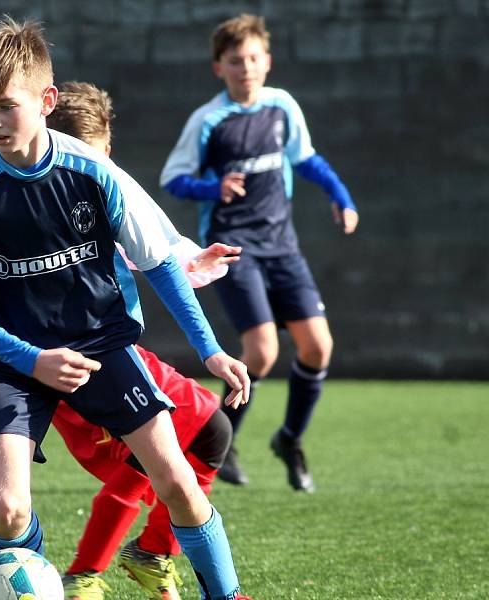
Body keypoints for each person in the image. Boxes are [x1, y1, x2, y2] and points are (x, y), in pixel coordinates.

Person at [0, 17, 252, 600]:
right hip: (16, 360)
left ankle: (225, 595)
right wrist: (32, 360)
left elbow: (157, 261)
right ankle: (38, 584)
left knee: (177, 479)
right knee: (6, 506)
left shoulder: (93, 170)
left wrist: (211, 349)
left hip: (102, 344)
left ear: (47, 100)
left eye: (6, 105)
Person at [47, 81, 241, 600]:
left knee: (168, 452)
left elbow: (150, 249)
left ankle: (110, 565)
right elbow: (151, 251)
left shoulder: (81, 185)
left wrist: (192, 261)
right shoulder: (80, 186)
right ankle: (114, 563)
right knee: (198, 438)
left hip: (87, 357)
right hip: (89, 359)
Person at [160, 14, 359, 493]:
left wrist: (342, 197)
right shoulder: (209, 120)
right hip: (235, 250)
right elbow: (173, 178)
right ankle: (217, 441)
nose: (245, 67)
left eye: (253, 58)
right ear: (218, 68)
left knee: (318, 347)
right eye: (235, 61)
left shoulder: (282, 107)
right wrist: (213, 187)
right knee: (263, 352)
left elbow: (306, 158)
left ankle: (289, 440)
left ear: (267, 62)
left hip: (283, 248)